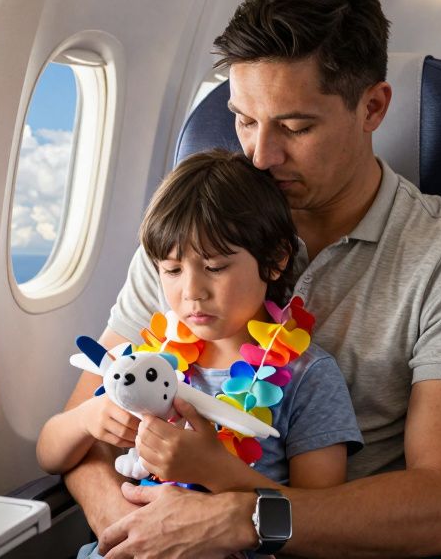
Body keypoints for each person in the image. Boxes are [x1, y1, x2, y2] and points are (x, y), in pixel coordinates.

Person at [58, 0, 441, 558]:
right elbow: (86, 430)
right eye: (244, 120)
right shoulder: (196, 239)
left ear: (373, 106)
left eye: (295, 127)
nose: (260, 155)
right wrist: (131, 529)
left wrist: (243, 519)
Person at [36, 150, 362, 529]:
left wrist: (214, 469)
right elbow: (49, 454)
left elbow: (318, 521)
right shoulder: (147, 362)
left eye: (215, 267)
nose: (192, 292)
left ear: (274, 259)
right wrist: (88, 419)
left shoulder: (309, 377)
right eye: (172, 270)